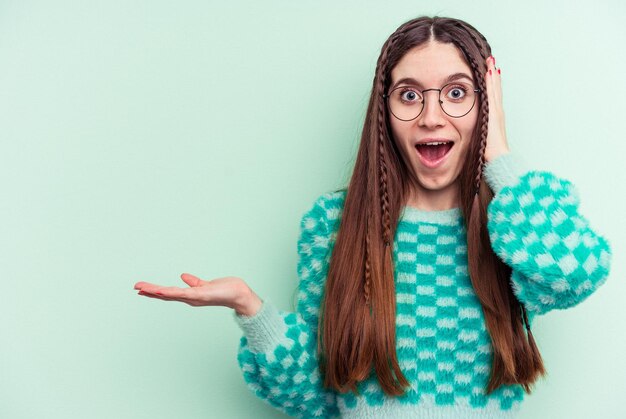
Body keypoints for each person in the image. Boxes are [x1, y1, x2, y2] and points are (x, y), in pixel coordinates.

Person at [133, 15, 612, 418]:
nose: (431, 116)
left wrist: (498, 153)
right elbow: (315, 393)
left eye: (457, 93)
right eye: (409, 95)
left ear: (485, 107)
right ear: (384, 111)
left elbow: (578, 272)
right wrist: (250, 309)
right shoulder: (334, 224)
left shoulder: (513, 222)